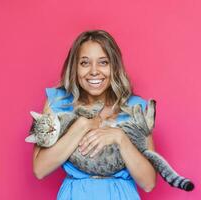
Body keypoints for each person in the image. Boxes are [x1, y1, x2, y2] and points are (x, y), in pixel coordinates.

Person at [32, 30, 157, 200]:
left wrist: (120, 138)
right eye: (84, 63)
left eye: (103, 62)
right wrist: (82, 126)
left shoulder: (135, 107)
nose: (94, 71)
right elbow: (40, 169)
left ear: (114, 66)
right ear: (75, 67)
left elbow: (149, 182)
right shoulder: (58, 102)